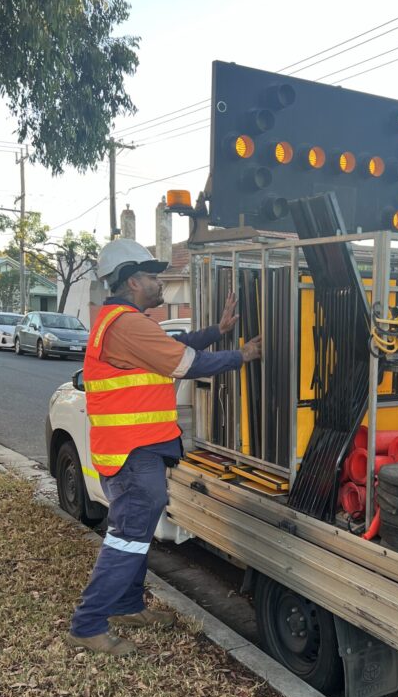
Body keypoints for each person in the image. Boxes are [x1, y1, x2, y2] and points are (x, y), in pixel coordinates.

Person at [67, 238, 261, 656]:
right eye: (153, 277)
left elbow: (176, 346)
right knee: (128, 536)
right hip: (133, 452)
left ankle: (127, 606)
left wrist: (216, 332)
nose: (161, 284)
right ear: (133, 281)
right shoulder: (127, 325)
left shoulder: (123, 321)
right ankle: (87, 624)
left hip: (132, 450)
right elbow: (186, 363)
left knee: (135, 534)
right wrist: (241, 355)